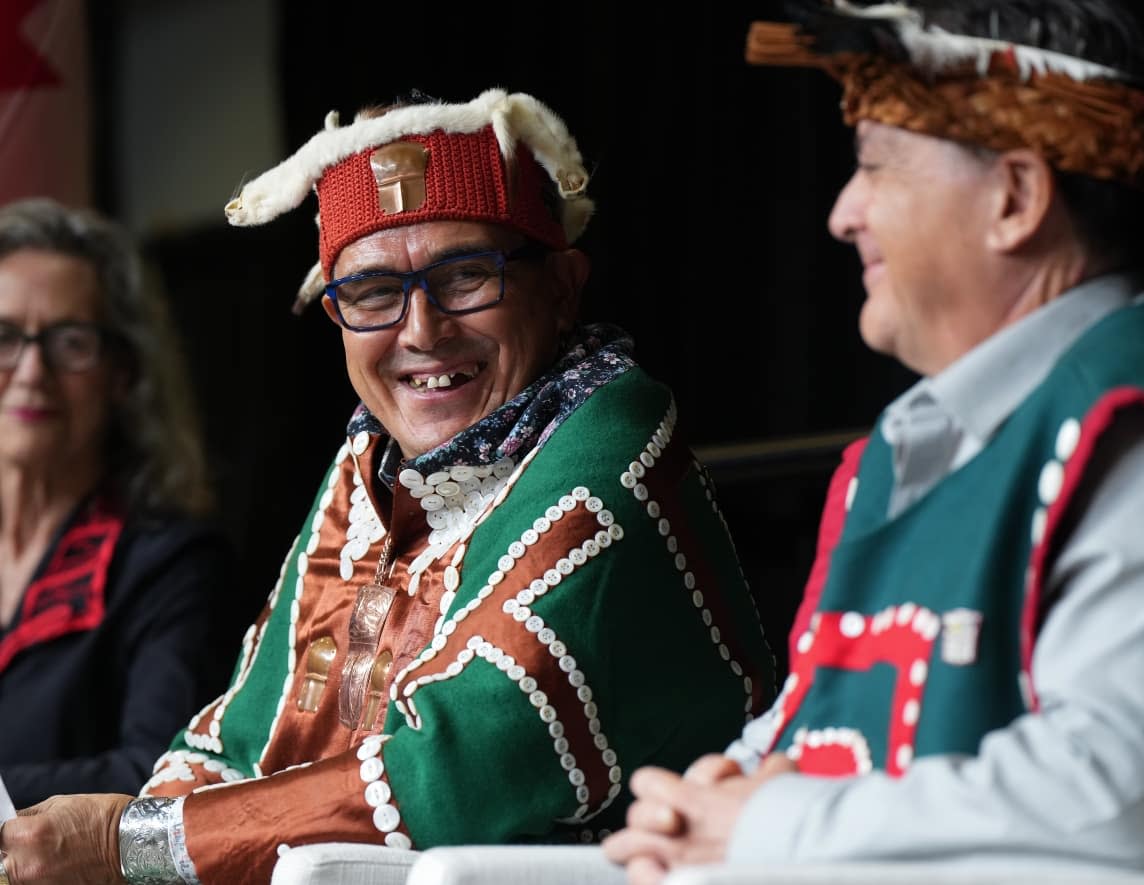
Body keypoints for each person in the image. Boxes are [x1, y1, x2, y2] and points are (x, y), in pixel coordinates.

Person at [0, 89, 777, 884]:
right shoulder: (367, 462)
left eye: (468, 274)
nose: (420, 330)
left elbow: (460, 769)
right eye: (373, 292)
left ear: (562, 288)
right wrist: (139, 845)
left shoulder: (614, 434)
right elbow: (234, 738)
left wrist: (131, 845)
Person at [602, 0, 1144, 880]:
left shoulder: (1134, 420)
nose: (843, 213)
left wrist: (768, 823)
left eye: (873, 165)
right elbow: (810, 722)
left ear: (1015, 198)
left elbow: (1118, 789)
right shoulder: (892, 459)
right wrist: (720, 792)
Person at [0, 198, 239, 809]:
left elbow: (160, 775)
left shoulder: (171, 566)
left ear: (122, 374)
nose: (31, 371)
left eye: (70, 341)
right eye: (4, 337)